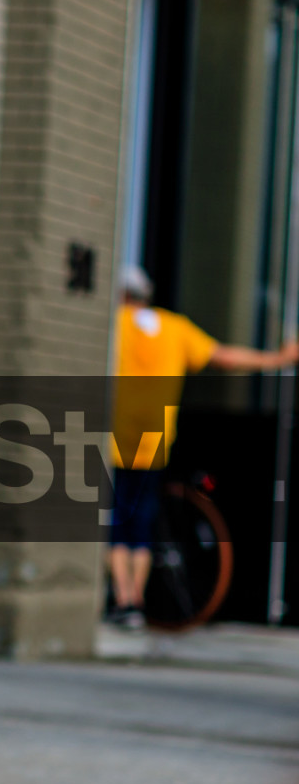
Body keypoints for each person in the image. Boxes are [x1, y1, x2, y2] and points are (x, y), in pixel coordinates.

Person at [107, 265, 299, 628]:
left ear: (120, 295)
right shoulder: (175, 327)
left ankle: (121, 600)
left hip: (112, 437)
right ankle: (136, 602)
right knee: (141, 524)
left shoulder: (113, 323)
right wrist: (279, 358)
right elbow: (225, 357)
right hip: (154, 439)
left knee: (117, 521)